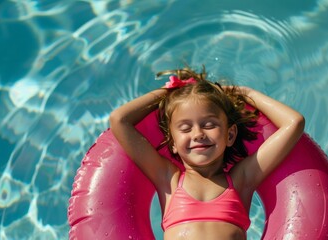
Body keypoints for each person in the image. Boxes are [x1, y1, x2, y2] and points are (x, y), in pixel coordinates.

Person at [109, 66, 305, 240]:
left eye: (209, 125)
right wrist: (169, 92)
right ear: (173, 143)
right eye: (185, 129)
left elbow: (294, 123)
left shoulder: (241, 180)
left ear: (230, 135)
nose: (198, 134)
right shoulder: (168, 179)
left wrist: (244, 93)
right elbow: (119, 120)